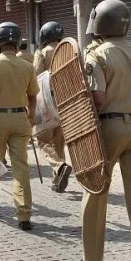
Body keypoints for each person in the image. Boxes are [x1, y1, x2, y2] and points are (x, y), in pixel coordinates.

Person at [69, 0, 131, 261]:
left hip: (109, 127)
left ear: (98, 23)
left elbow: (99, 99)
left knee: (95, 193)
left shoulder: (97, 56)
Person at [0, 22, 39, 231]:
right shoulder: (28, 66)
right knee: (21, 169)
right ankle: (24, 214)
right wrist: (29, 119)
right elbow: (33, 99)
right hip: (21, 120)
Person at [33, 21, 73, 193]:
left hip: (47, 101)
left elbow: (35, 76)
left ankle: (59, 166)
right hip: (65, 101)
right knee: (59, 141)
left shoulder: (42, 52)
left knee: (42, 139)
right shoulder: (69, 50)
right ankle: (57, 179)